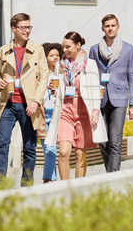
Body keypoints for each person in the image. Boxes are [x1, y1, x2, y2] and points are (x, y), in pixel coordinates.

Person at [0, 13, 49, 187]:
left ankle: (26, 185)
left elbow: (44, 76)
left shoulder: (37, 49)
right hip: (8, 104)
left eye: (29, 27)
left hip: (29, 105)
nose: (27, 31)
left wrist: (36, 101)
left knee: (29, 147)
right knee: (2, 143)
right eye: (23, 27)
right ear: (13, 29)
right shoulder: (4, 50)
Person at [44, 32, 107, 180]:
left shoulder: (89, 64)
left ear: (78, 45)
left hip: (83, 112)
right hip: (65, 110)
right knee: (64, 152)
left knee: (80, 153)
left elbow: (94, 89)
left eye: (68, 47)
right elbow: (57, 89)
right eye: (63, 46)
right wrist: (53, 91)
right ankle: (64, 187)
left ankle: (79, 188)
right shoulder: (60, 65)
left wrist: (96, 111)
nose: (64, 50)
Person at [89, 14, 133, 173]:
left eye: (113, 25)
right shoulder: (94, 50)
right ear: (102, 28)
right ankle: (110, 171)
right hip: (100, 99)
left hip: (120, 99)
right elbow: (90, 76)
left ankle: (112, 175)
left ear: (118, 27)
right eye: (107, 26)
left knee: (115, 140)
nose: (110, 28)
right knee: (102, 140)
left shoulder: (128, 49)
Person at [36, 43, 63, 183]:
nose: (55, 58)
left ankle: (48, 179)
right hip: (42, 115)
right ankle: (50, 179)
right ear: (45, 57)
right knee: (48, 150)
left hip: (56, 115)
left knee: (51, 149)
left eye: (57, 55)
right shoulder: (41, 74)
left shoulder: (62, 73)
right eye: (51, 55)